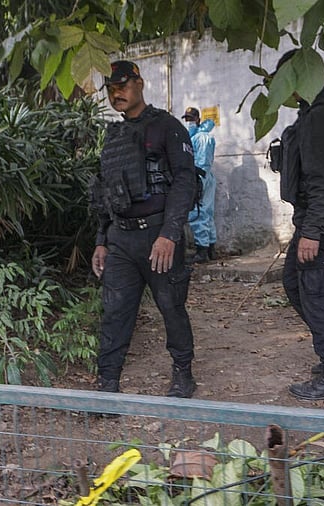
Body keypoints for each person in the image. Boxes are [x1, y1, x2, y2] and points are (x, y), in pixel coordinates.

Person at [89, 60, 199, 398]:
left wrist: (170, 233)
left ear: (140, 83)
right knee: (115, 312)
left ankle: (183, 373)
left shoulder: (167, 127)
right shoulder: (115, 135)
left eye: (122, 85)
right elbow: (106, 190)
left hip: (158, 237)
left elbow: (185, 182)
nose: (116, 93)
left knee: (171, 306)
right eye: (110, 89)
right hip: (121, 238)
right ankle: (108, 383)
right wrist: (101, 241)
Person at [271, 50, 324, 401]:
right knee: (294, 281)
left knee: (317, 294)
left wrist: (311, 232)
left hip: (318, 223)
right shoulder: (317, 113)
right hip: (314, 220)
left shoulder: (320, 118)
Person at [182, 107, 217, 264]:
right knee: (207, 212)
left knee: (198, 212)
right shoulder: (197, 136)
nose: (188, 122)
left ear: (197, 119)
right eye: (186, 119)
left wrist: (195, 177)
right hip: (205, 177)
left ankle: (202, 250)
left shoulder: (201, 137)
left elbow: (202, 162)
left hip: (199, 176)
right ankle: (210, 248)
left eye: (190, 119)